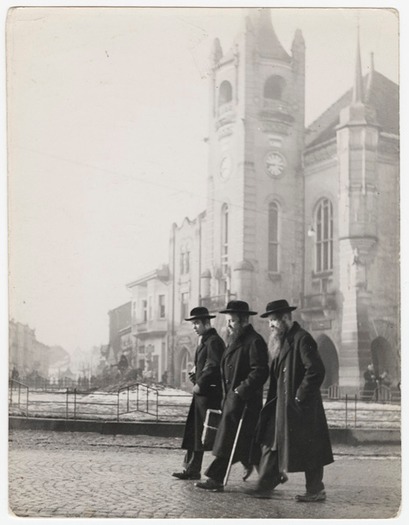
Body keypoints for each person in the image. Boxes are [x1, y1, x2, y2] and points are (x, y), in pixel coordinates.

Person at [247, 299, 334, 502]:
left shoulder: (302, 339)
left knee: (311, 449)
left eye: (274, 321)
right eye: (269, 321)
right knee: (270, 440)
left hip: (301, 407)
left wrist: (299, 396)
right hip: (281, 406)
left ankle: (315, 490)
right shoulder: (283, 341)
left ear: (286, 318)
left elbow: (316, 370)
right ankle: (265, 483)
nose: (270, 325)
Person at [195, 300, 269, 492]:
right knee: (246, 442)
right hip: (232, 400)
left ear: (244, 320)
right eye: (227, 321)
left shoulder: (254, 341)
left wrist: (241, 391)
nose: (228, 325)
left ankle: (215, 478)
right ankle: (272, 475)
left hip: (245, 402)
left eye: (232, 321)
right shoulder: (233, 340)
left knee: (229, 439)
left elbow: (260, 371)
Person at [172, 306, 225, 480]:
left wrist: (200, 383)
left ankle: (198, 470)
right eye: (193, 323)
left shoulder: (214, 341)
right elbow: (204, 365)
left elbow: (213, 366)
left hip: (208, 395)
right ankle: (191, 469)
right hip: (202, 395)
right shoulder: (205, 340)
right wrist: (196, 373)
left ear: (205, 323)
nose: (194, 327)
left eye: (196, 323)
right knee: (195, 432)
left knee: (207, 434)